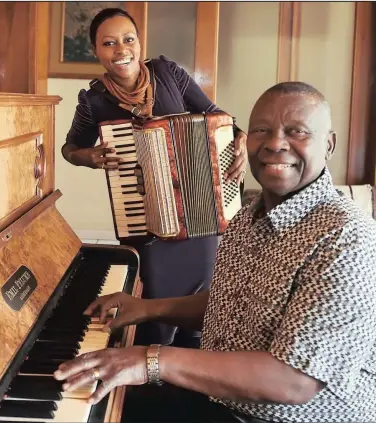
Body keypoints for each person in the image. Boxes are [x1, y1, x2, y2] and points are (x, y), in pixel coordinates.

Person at [54, 81, 376, 422]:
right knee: (93, 402)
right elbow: (230, 302)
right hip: (227, 403)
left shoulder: (349, 240)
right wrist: (146, 309)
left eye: (296, 131)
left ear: (328, 144)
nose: (274, 144)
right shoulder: (246, 217)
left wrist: (150, 359)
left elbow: (295, 380)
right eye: (261, 131)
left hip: (293, 415)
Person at [62, 7, 248, 346]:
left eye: (128, 39)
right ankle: (149, 380)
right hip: (143, 222)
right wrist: (87, 156)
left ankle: (195, 374)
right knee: (151, 308)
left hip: (196, 217)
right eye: (109, 43)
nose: (121, 50)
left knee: (201, 312)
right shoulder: (93, 101)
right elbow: (70, 148)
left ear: (138, 42)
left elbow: (215, 116)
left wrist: (240, 138)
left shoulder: (168, 73)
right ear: (96, 51)